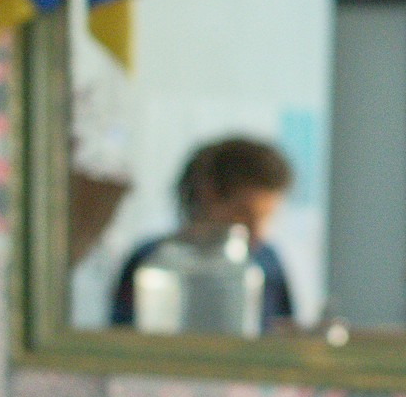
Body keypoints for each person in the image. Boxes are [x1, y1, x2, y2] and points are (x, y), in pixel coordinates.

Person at [111, 135, 296, 330]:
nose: (257, 233)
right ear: (207, 195)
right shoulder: (152, 260)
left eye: (266, 217)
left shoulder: (267, 263)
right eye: (243, 214)